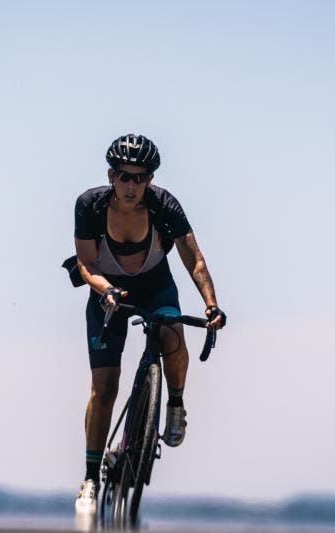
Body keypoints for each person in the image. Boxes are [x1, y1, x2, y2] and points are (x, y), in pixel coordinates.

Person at [64, 134, 226, 516]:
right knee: (105, 386)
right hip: (107, 290)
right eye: (124, 176)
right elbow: (86, 263)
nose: (132, 186)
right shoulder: (90, 205)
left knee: (172, 335)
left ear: (150, 179)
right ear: (111, 176)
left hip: (155, 286)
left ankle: (175, 403)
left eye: (140, 178)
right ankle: (90, 477)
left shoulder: (164, 205)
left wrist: (211, 304)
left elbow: (194, 260)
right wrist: (105, 290)